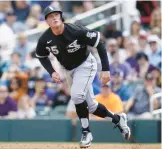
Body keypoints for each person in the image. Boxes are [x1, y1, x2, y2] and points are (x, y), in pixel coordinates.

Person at [35, 5, 130, 148]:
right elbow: (41, 56)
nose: (54, 17)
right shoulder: (45, 38)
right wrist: (51, 71)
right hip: (68, 70)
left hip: (86, 64)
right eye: (50, 16)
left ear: (61, 17)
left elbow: (100, 43)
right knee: (91, 107)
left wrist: (105, 69)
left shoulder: (75, 30)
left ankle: (86, 132)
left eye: (56, 14)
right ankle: (118, 119)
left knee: (77, 96)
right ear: (47, 22)